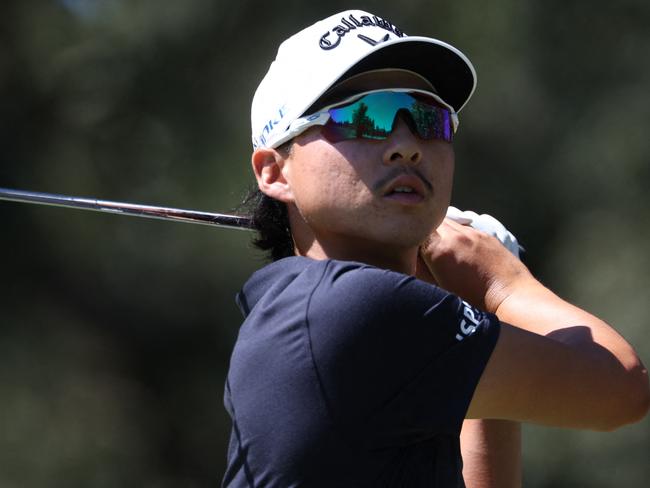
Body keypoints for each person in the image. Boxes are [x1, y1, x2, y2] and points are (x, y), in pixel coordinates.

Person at [222, 9, 650, 487]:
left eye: (428, 119)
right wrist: (500, 283)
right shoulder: (350, 307)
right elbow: (621, 388)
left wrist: (474, 311)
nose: (406, 145)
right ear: (275, 172)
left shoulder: (328, 316)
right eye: (365, 117)